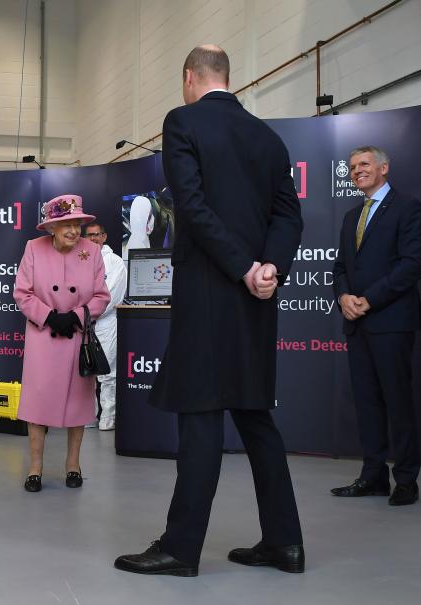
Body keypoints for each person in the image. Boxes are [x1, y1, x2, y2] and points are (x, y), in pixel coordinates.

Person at [114, 45, 304, 577]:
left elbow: (191, 206)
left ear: (190, 78)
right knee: (254, 417)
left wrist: (244, 267)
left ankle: (180, 548)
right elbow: (290, 216)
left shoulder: (183, 122)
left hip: (208, 292)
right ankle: (285, 542)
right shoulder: (268, 137)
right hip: (256, 301)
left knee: (200, 418)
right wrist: (269, 268)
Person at [331, 145, 421, 506]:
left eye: (365, 164)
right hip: (356, 324)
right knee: (367, 403)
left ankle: (406, 480)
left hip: (390, 321)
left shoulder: (408, 208)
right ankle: (373, 476)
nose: (357, 170)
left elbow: (410, 266)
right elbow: (340, 267)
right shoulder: (350, 216)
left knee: (397, 402)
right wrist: (344, 298)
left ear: (384, 167)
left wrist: (368, 300)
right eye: (353, 166)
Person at [13, 194, 110, 492]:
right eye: (65, 224)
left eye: (77, 224)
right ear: (51, 227)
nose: (73, 231)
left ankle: (72, 464)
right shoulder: (33, 248)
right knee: (37, 404)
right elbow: (22, 294)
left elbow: (101, 296)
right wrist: (50, 316)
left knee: (77, 405)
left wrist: (78, 316)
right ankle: (35, 468)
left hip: (77, 340)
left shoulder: (92, 252)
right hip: (44, 336)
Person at [83, 221, 127, 431]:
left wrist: (87, 313)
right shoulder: (80, 258)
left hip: (105, 323)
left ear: (104, 237)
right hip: (82, 325)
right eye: (88, 235)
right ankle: (88, 416)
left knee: (108, 373)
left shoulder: (116, 263)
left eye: (96, 235)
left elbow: (110, 297)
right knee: (86, 373)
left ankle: (108, 417)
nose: (92, 239)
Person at [123, 195, 154, 260]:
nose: (153, 218)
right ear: (144, 220)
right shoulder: (138, 247)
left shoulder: (139, 238)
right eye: (150, 216)